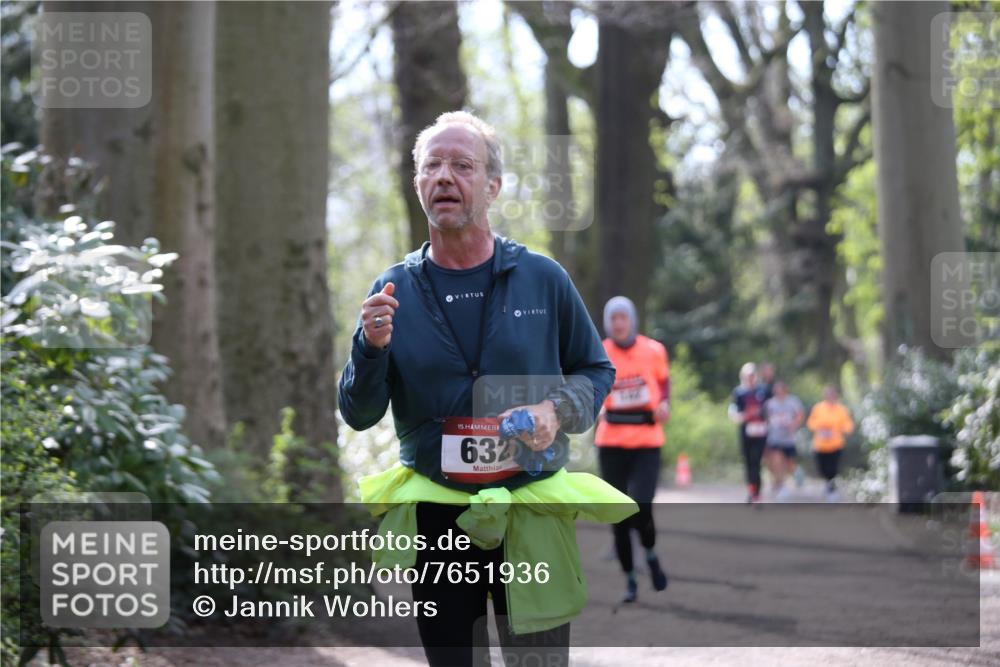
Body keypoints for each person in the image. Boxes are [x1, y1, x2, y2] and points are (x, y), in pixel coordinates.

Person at [338, 111, 635, 666]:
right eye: (432, 166)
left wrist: (556, 409)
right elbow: (358, 413)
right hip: (439, 517)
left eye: (462, 165)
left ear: (493, 186)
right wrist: (369, 349)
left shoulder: (543, 278)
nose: (444, 176)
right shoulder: (392, 289)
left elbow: (596, 370)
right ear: (418, 184)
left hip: (531, 508)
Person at [594, 296, 670, 603]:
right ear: (607, 321)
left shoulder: (653, 350)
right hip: (611, 442)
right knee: (619, 515)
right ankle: (629, 580)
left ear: (632, 319)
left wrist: (664, 403)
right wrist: (594, 405)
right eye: (614, 318)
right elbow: (590, 386)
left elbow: (663, 384)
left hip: (646, 442)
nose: (619, 323)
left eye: (623, 317)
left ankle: (650, 554)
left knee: (641, 505)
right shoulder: (599, 351)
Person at [728, 362, 769, 504]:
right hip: (746, 432)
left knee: (756, 461)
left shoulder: (763, 390)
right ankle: (751, 490)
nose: (750, 378)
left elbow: (769, 408)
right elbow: (733, 410)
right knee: (747, 461)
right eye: (748, 375)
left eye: (752, 375)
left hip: (761, 432)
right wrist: (740, 416)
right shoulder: (739, 392)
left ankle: (757, 492)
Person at [806, 385, 855, 502]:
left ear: (835, 395)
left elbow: (848, 425)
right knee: (822, 468)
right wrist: (820, 427)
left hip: (835, 444)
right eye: (827, 394)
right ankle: (828, 484)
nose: (830, 396)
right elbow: (811, 423)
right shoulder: (818, 408)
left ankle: (831, 488)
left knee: (832, 468)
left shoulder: (842, 409)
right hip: (820, 444)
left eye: (832, 394)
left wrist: (842, 430)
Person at [763, 380, 804, 501]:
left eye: (781, 390)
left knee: (789, 465)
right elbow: (765, 419)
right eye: (776, 390)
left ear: (785, 390)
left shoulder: (793, 401)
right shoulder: (769, 404)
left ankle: (796, 473)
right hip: (774, 438)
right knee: (776, 462)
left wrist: (794, 425)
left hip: (789, 439)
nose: (779, 392)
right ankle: (781, 486)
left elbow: (800, 415)